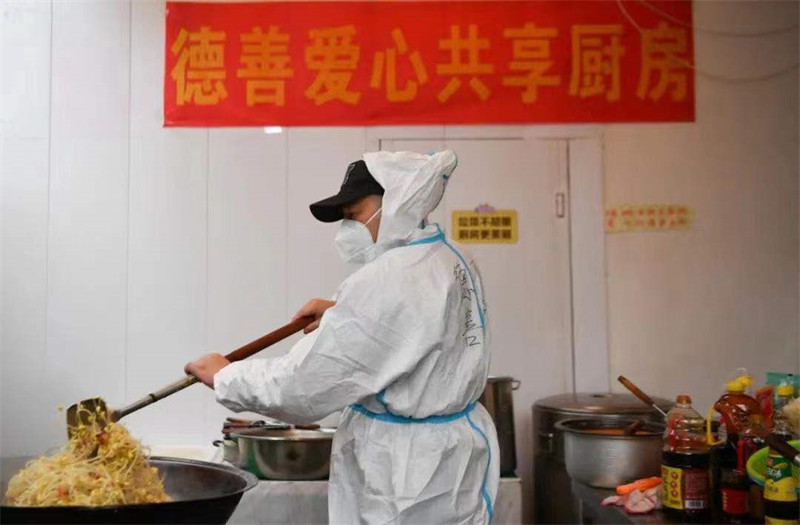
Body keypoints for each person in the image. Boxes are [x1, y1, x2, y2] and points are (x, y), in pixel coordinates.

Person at [186, 150, 499, 524]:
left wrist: (225, 375)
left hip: (405, 475)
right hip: (450, 458)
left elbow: (302, 387)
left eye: (354, 215)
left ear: (399, 200)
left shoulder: (386, 280)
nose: (348, 229)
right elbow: (418, 328)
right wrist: (342, 311)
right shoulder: (448, 256)